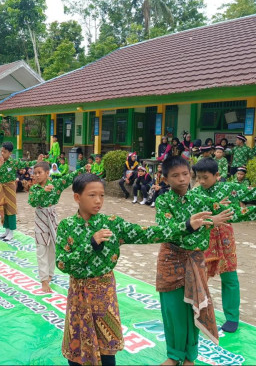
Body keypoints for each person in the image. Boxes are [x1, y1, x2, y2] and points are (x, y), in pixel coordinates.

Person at [56, 173, 215, 366]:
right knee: (78, 346)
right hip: (79, 296)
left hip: (104, 295)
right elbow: (62, 263)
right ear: (77, 197)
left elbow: (147, 233)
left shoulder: (112, 223)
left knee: (107, 350)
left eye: (102, 195)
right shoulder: (67, 226)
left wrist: (187, 226)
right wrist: (91, 244)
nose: (98, 201)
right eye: (92, 195)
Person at [154, 156, 254, 366]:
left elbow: (232, 212)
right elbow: (166, 229)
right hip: (174, 259)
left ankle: (191, 354)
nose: (183, 179)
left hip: (203, 253)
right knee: (173, 308)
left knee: (197, 303)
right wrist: (208, 221)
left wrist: (217, 216)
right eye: (175, 175)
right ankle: (174, 355)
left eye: (185, 174)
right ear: (165, 179)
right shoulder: (167, 200)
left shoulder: (202, 198)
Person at [192, 158, 256, 333]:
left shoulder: (230, 189)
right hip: (203, 238)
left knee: (229, 277)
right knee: (199, 276)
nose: (202, 181)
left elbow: (253, 194)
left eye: (205, 177)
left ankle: (232, 317)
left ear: (217, 175)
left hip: (225, 238)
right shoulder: (195, 193)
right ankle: (198, 312)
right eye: (199, 178)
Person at [28, 161, 90, 293]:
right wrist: (43, 192)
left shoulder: (56, 184)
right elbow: (32, 202)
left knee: (54, 247)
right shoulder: (34, 188)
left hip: (53, 216)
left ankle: (50, 274)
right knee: (41, 248)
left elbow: (69, 177)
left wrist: (84, 168)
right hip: (40, 217)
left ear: (47, 173)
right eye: (35, 173)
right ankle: (44, 280)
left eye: (39, 173)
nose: (37, 176)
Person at [0, 141, 42, 242]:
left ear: (10, 153)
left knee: (11, 208)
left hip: (11, 187)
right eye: (2, 151)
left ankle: (11, 232)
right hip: (1, 187)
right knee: (3, 208)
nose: (2, 154)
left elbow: (26, 164)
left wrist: (37, 161)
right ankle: (6, 230)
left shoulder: (14, 163)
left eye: (4, 152)